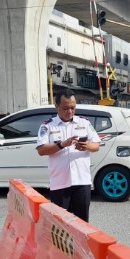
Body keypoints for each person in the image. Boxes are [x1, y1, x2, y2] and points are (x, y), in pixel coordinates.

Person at [36, 88, 101, 222]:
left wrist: (86, 146)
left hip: (82, 182)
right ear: (57, 107)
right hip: (59, 184)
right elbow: (41, 150)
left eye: (73, 108)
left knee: (82, 224)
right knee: (60, 225)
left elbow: (96, 146)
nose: (70, 111)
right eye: (65, 108)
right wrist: (61, 145)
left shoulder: (84, 123)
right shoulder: (47, 126)